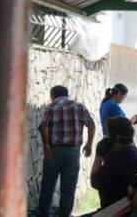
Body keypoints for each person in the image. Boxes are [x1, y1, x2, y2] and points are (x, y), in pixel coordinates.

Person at [38, 85, 95, 217]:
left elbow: (44, 126)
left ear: (53, 94)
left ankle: (44, 214)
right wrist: (89, 144)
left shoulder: (52, 107)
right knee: (68, 189)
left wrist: (46, 146)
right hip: (73, 153)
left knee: (48, 185)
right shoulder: (79, 107)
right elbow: (91, 124)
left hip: (53, 151)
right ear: (66, 94)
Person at [91, 117, 137, 209]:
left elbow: (94, 182)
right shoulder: (136, 151)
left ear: (117, 138)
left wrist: (98, 157)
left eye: (109, 135)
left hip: (116, 210)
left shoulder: (118, 158)